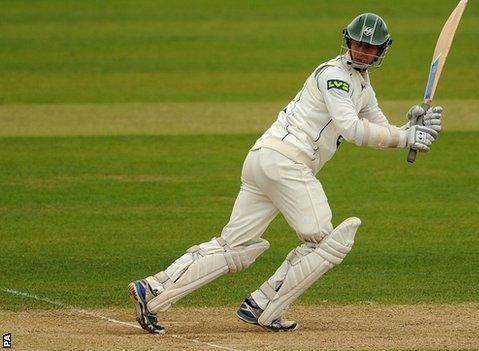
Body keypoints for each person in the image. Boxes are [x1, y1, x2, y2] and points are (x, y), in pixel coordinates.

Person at [128, 12, 443, 334]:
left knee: (236, 245)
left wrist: (410, 126)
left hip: (265, 159)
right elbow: (351, 129)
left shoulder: (362, 84)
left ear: (381, 51)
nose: (363, 51)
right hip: (286, 163)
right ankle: (264, 306)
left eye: (370, 47)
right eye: (358, 44)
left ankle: (151, 290)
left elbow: (377, 129)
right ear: (347, 41)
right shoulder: (334, 76)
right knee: (325, 243)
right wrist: (406, 137)